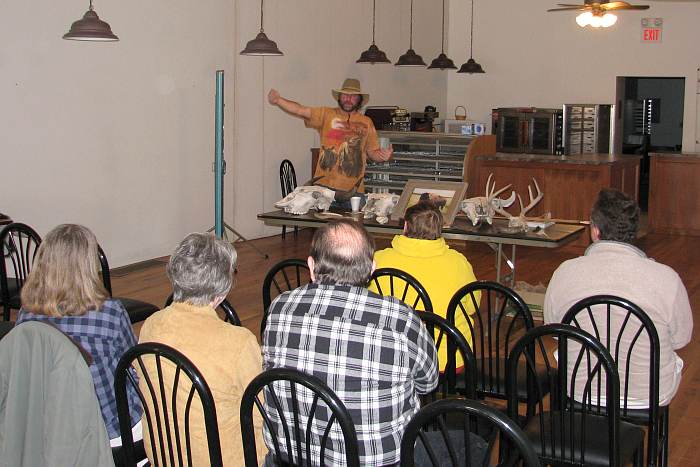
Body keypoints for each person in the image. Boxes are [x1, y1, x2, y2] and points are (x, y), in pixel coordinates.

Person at [263, 219, 439, 466]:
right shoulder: (400, 319)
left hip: (289, 460)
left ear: (311, 267)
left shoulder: (279, 308)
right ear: (372, 268)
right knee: (472, 444)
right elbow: (429, 381)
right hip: (380, 462)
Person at [544, 189, 693, 406]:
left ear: (594, 230)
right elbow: (681, 339)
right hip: (648, 395)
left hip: (580, 389)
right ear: (634, 231)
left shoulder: (564, 272)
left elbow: (555, 329)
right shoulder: (667, 278)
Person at [138, 233, 266, 466]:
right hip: (223, 459)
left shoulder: (151, 325)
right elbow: (260, 415)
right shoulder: (239, 342)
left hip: (164, 454)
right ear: (224, 287)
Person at [17, 224, 143, 446]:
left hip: (50, 429)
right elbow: (133, 365)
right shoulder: (109, 313)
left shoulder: (25, 315)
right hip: (112, 432)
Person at [371, 201, 479, 369]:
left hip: (394, 355)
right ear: (440, 229)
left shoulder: (379, 260)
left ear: (405, 226)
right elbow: (472, 306)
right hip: (450, 358)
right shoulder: (458, 262)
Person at [268, 78, 393, 197]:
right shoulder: (326, 115)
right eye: (345, 95)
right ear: (339, 97)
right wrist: (278, 100)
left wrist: (383, 156)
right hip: (324, 189)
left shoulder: (367, 122)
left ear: (359, 100)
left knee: (353, 220)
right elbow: (300, 110)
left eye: (353, 96)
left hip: (354, 191)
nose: (348, 99)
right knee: (324, 220)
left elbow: (372, 152)